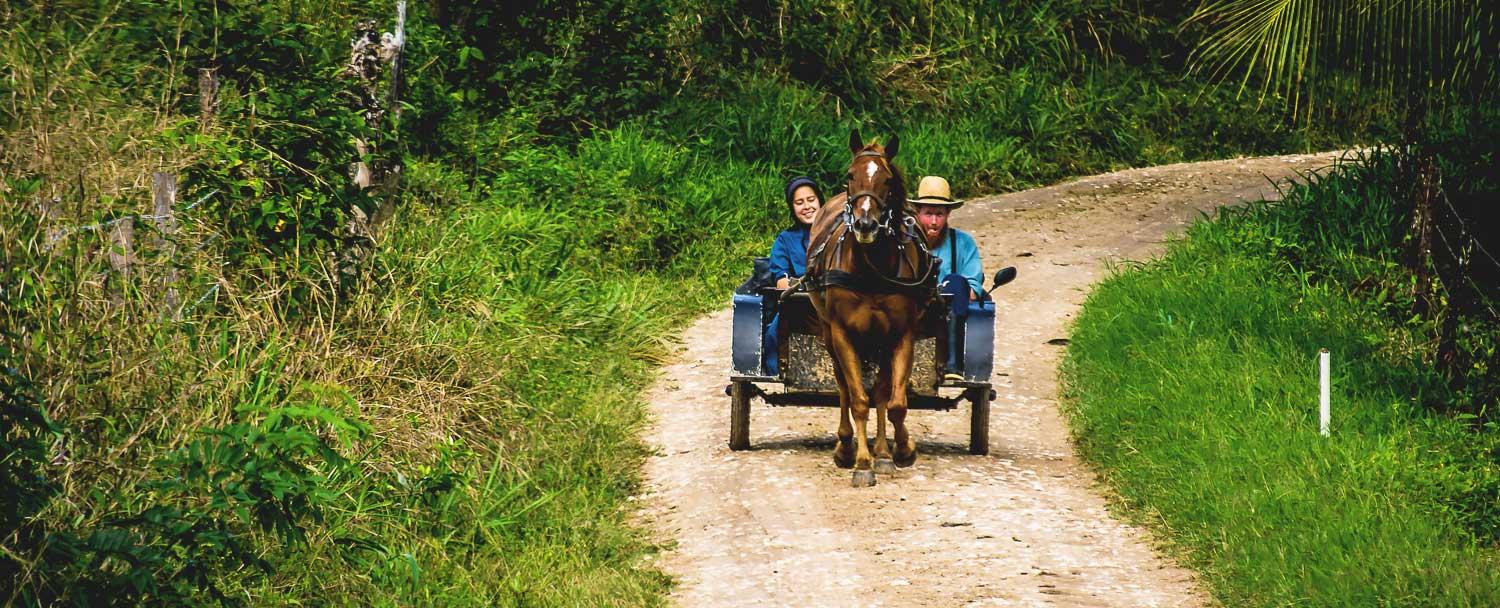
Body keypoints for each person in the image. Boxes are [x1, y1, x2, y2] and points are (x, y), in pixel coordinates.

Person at [909, 176, 983, 381]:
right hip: (909, 312)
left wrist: (948, 291)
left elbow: (973, 288)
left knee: (957, 282)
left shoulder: (963, 243)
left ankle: (953, 363)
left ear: (948, 214)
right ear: (917, 212)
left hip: (947, 314)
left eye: (939, 214)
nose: (933, 221)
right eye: (928, 214)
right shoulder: (904, 242)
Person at [763, 176, 823, 375]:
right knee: (774, 332)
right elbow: (781, 277)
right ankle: (777, 373)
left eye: (811, 200)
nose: (807, 206)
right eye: (799, 202)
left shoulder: (839, 233)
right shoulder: (785, 240)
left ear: (820, 201)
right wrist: (792, 285)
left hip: (837, 304)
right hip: (801, 306)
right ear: (792, 208)